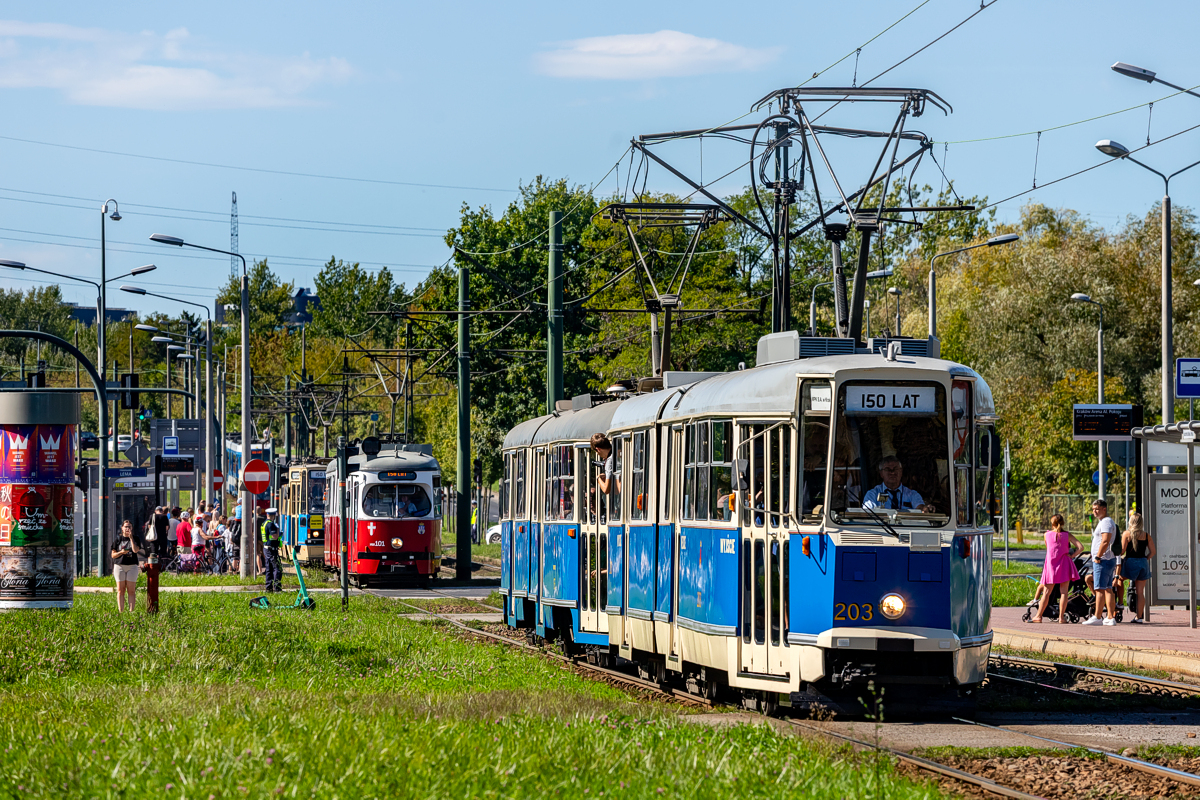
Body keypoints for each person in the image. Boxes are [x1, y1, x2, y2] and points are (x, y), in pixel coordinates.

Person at [1028, 514, 1081, 623]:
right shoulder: (1067, 535)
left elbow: (1050, 549)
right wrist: (1072, 555)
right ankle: (1061, 618)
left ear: (1052, 524)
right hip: (1065, 565)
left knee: (1046, 592)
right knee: (1064, 592)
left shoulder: (1046, 535)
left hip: (1051, 565)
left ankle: (1038, 616)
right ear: (1063, 523)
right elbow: (1081, 547)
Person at [1083, 498, 1119, 626]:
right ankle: (1110, 617)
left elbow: (1105, 540)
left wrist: (1098, 556)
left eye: (1097, 509)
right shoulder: (1105, 521)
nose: (1095, 512)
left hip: (1103, 560)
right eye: (1093, 509)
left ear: (1104, 509)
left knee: (1099, 589)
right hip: (1107, 559)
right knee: (1108, 589)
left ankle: (1097, 616)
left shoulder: (1106, 522)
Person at [862, 456, 934, 513]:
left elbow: (920, 508)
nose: (892, 472)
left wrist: (925, 509)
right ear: (881, 474)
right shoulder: (872, 494)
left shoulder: (912, 494)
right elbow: (867, 515)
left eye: (895, 469)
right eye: (887, 469)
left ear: (901, 472)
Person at [1119, 512, 1155, 624]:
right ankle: (1139, 617)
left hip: (1130, 562)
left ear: (1130, 522)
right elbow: (1153, 552)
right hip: (1142, 563)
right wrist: (1145, 559)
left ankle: (1120, 602)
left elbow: (1122, 550)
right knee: (1140, 592)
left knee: (1119, 580)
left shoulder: (1127, 534)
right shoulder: (1146, 535)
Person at [110, 519, 141, 612]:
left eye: (129, 527)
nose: (127, 528)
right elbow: (113, 555)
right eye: (126, 526)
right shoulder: (118, 539)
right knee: (120, 590)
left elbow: (135, 550)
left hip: (132, 566)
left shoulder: (136, 538)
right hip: (120, 566)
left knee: (131, 590)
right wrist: (121, 552)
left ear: (132, 528)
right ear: (122, 528)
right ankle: (121, 611)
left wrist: (131, 538)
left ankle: (131, 611)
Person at [259, 507, 283, 593]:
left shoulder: (264, 523)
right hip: (272, 550)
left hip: (266, 549)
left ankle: (268, 588)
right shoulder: (271, 525)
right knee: (277, 568)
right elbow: (274, 536)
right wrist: (279, 532)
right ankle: (277, 588)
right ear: (273, 516)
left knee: (269, 569)